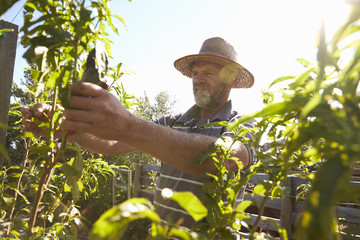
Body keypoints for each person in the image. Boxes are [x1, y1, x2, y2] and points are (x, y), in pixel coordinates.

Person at [21, 37, 255, 230]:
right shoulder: (174, 121)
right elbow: (112, 145)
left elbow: (219, 160)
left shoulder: (242, 126)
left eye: (209, 73)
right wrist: (64, 130)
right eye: (196, 73)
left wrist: (127, 125)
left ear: (232, 78)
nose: (199, 80)